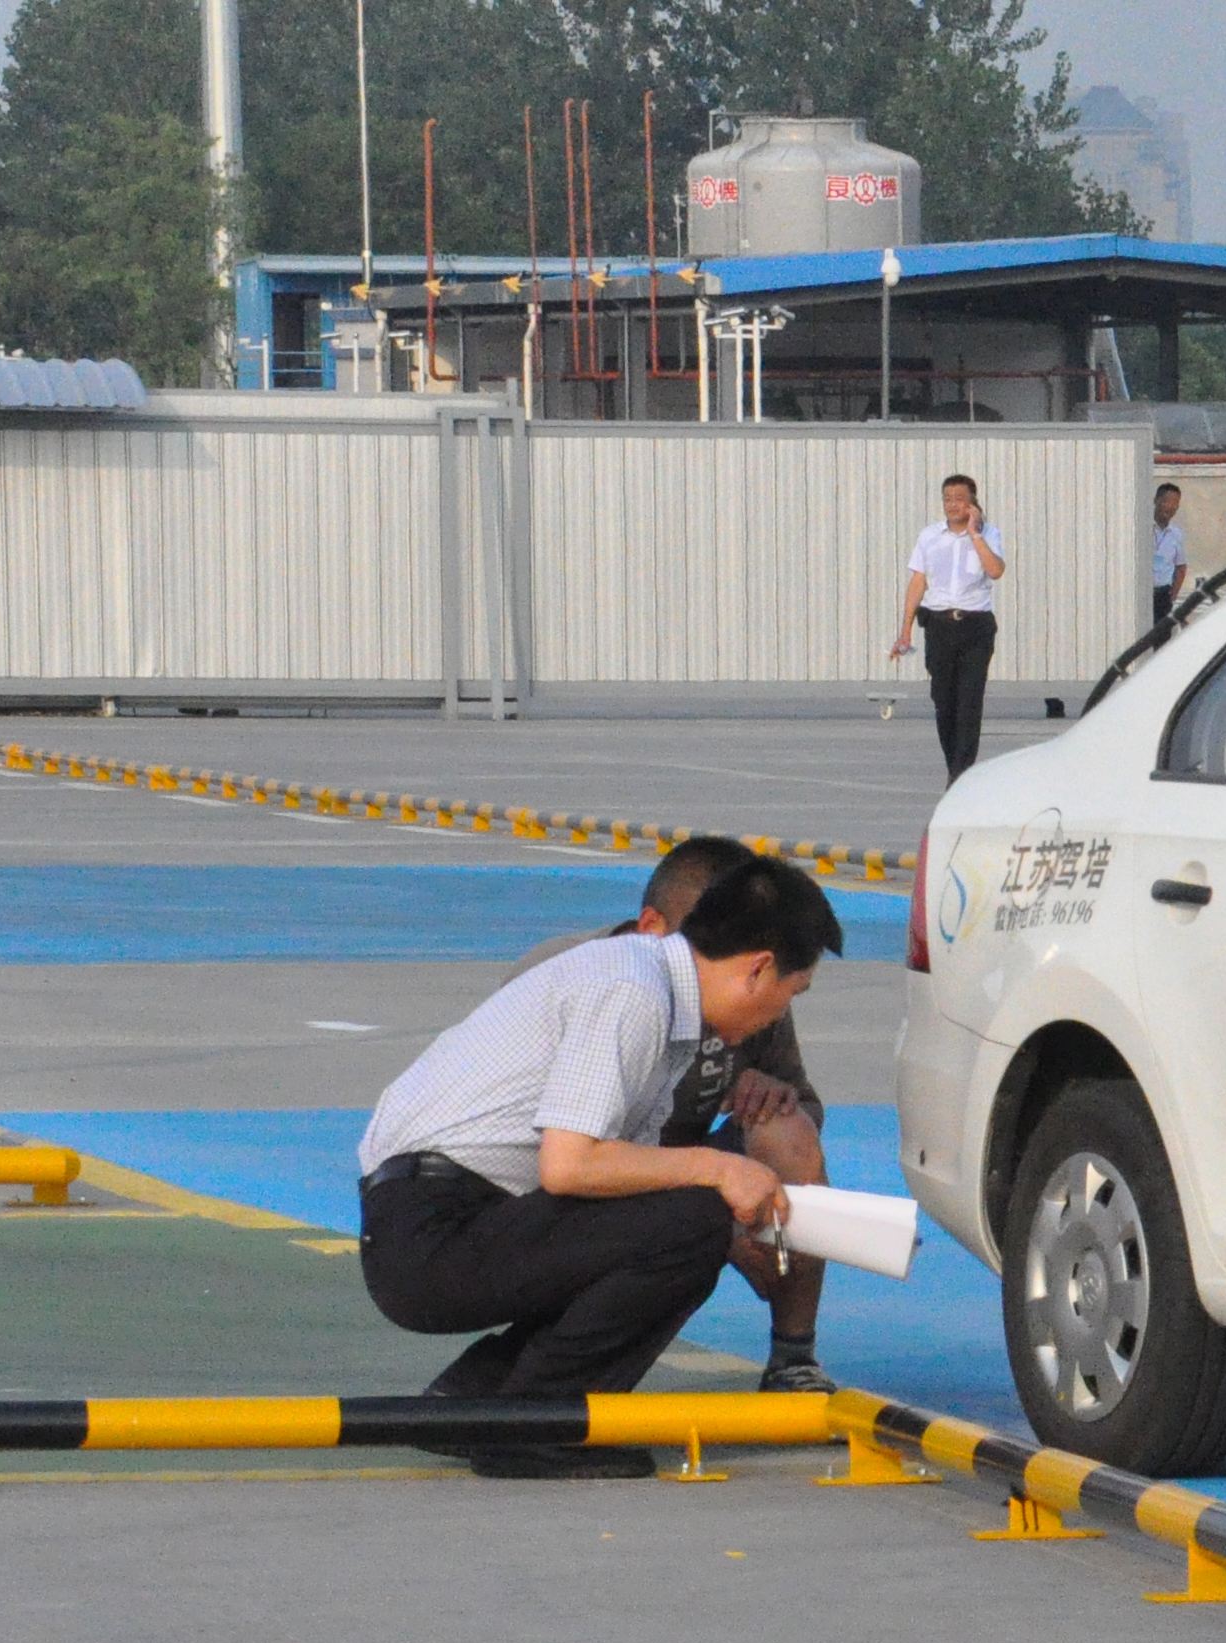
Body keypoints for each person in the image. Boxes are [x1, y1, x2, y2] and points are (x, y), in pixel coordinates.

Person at [356, 854, 845, 1478]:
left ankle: (478, 1398)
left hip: (440, 1218)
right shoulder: (632, 992)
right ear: (758, 969)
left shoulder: (657, 994)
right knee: (693, 1217)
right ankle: (537, 1426)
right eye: (791, 994)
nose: (780, 1017)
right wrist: (721, 1171)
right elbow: (569, 1167)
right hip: (429, 1236)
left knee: (676, 1215)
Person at [506, 835, 838, 1394]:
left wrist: (773, 1091)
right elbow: (549, 1151)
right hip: (580, 1179)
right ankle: (543, 1373)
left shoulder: (746, 990)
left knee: (787, 1132)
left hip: (682, 1165)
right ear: (651, 926)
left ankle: (793, 1356)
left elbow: (808, 1105)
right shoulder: (588, 979)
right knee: (686, 1227)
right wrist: (712, 1204)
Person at [891, 473, 1007, 779]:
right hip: (939, 626)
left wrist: (975, 534)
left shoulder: (989, 534)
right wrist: (904, 632)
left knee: (969, 702)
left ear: (972, 502)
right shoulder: (929, 536)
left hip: (975, 626)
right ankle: (954, 767)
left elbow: (995, 571)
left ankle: (960, 775)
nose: (952, 504)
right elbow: (918, 582)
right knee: (944, 702)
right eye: (948, 499)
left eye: (959, 498)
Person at [1151, 481, 1189, 629]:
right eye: (1167, 502)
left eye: (1175, 504)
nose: (1171, 507)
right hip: (1142, 593)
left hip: (1162, 596)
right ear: (1156, 501)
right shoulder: (1141, 527)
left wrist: (1172, 597)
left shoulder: (1176, 534)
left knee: (1161, 640)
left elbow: (1181, 568)